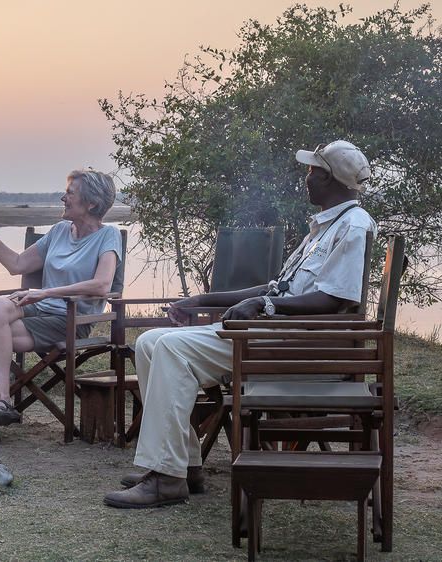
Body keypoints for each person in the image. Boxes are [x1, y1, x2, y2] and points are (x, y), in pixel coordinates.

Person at [103, 140, 376, 509]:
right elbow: (276, 287)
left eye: (312, 171)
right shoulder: (322, 228)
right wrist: (202, 299)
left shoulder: (353, 226)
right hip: (274, 337)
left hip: (298, 346)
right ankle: (182, 466)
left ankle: (167, 479)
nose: (306, 179)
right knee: (152, 341)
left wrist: (263, 304)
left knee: (169, 347)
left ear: (329, 178)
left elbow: (333, 300)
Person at [0, 169, 122, 445]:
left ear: (91, 203)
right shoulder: (60, 231)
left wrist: (44, 292)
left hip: (71, 322)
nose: (63, 197)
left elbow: (101, 286)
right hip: (39, 312)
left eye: (70, 193)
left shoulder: (108, 236)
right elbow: (17, 265)